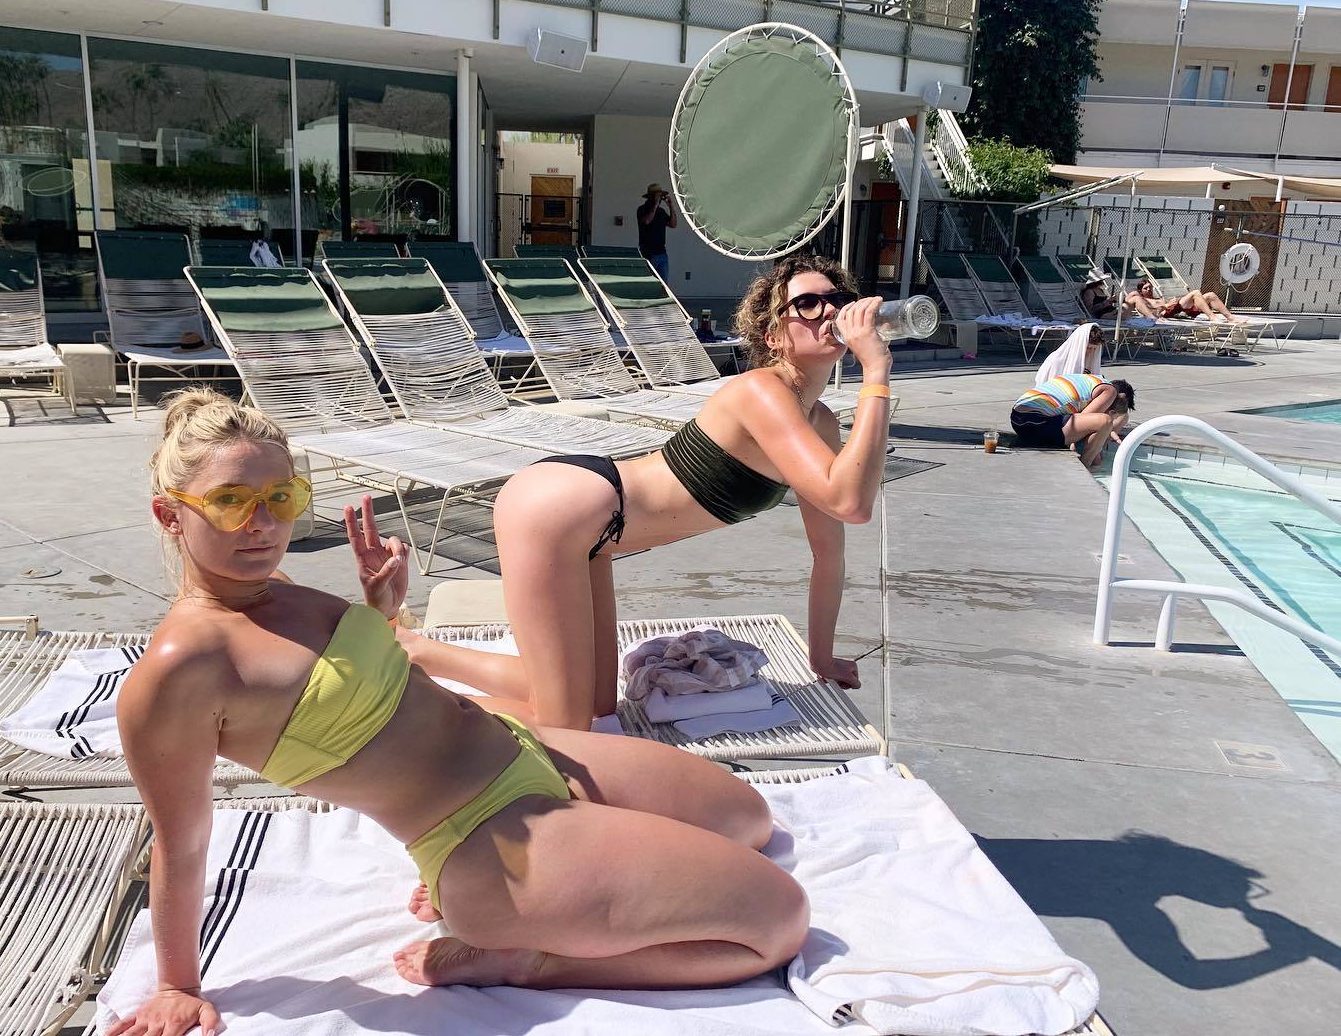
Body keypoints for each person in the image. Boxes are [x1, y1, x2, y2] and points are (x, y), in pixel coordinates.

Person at [109, 389, 808, 1036]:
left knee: (748, 818)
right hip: (484, 836)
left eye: (281, 496)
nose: (263, 524)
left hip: (525, 749)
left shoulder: (272, 588)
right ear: (171, 515)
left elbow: (354, 692)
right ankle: (525, 957)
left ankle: (552, 898)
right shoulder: (177, 673)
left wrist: (380, 610)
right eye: (230, 501)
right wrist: (175, 985)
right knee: (776, 920)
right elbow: (182, 841)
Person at [398, 254, 892, 732]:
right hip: (558, 508)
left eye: (838, 299)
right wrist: (875, 372)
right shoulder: (761, 390)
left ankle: (420, 653)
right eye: (807, 303)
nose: (829, 311)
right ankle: (411, 695)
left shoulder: (820, 423)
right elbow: (849, 500)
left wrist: (822, 658)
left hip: (595, 534)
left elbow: (830, 551)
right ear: (773, 335)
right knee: (566, 724)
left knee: (595, 706)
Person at [1011, 373, 1135, 468]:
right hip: (1035, 421)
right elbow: (1081, 427)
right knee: (1105, 421)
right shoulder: (1109, 391)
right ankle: (1085, 468)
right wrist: (1097, 455)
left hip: (1018, 419)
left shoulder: (1090, 381)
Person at [1126, 279, 1239, 323]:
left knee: (1211, 295)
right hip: (1169, 312)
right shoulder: (1141, 300)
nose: (1149, 289)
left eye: (1150, 287)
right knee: (1195, 292)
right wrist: (1166, 305)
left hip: (1178, 309)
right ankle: (1212, 317)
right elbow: (1130, 299)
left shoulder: (1157, 298)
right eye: (1145, 288)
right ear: (1140, 291)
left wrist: (1170, 302)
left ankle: (1230, 317)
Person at [636, 182, 676, 281]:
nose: (659, 199)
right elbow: (647, 221)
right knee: (649, 281)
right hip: (648, 253)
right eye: (657, 196)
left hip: (661, 253)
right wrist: (655, 206)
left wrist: (671, 206)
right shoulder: (642, 209)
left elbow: (673, 224)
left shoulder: (661, 212)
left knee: (663, 283)